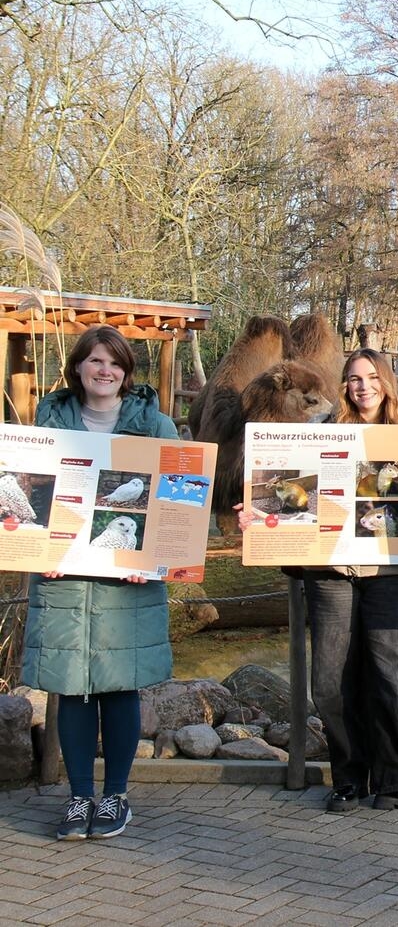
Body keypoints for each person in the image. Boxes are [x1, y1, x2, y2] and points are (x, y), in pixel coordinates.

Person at [239, 348, 398, 815]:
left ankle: (397, 779)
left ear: (387, 382)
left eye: (372, 377)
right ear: (344, 386)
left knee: (392, 678)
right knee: (330, 681)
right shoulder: (323, 434)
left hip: (391, 571)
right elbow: (298, 501)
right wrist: (259, 517)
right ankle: (348, 777)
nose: (362, 386)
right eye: (353, 378)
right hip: (331, 573)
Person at [22, 326, 178, 841]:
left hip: (127, 580)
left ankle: (115, 795)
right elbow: (30, 496)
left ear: (127, 371)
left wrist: (153, 558)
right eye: (94, 361)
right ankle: (77, 798)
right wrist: (37, 548)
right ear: (78, 367)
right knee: (72, 689)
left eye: (114, 363)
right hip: (63, 577)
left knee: (118, 686)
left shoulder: (155, 424)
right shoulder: (48, 422)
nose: (104, 371)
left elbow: (180, 500)